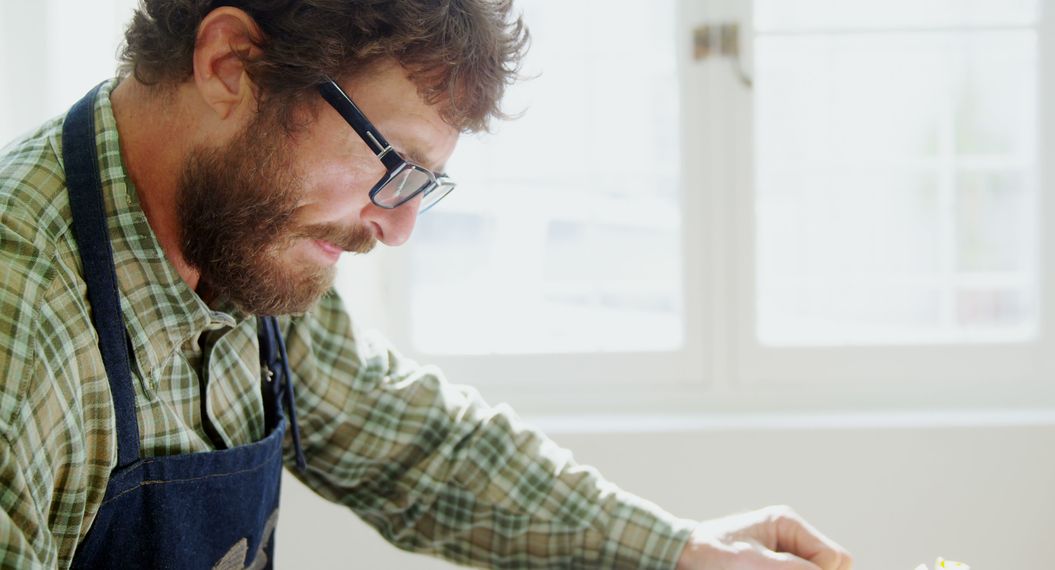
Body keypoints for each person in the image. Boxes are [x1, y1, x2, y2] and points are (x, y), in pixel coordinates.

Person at [0, 1, 853, 569]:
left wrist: (677, 552)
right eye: (391, 164)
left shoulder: (240, 241)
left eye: (420, 185)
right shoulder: (22, 317)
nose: (398, 226)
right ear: (231, 64)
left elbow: (411, 445)